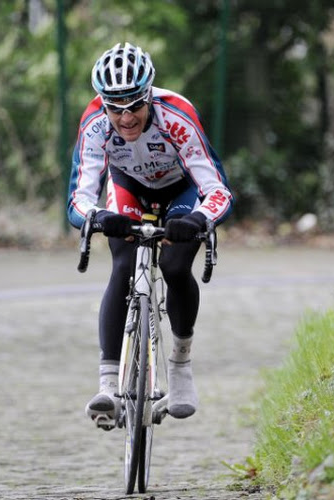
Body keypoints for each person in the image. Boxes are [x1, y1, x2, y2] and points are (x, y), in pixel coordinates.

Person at [67, 42, 233, 426]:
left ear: (149, 97)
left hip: (181, 190)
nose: (124, 118)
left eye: (134, 106)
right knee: (123, 264)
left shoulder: (177, 114)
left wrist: (197, 220)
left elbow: (218, 189)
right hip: (128, 186)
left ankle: (180, 365)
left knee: (175, 267)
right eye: (114, 107)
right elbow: (79, 196)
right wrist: (101, 217)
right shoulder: (94, 122)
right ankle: (108, 385)